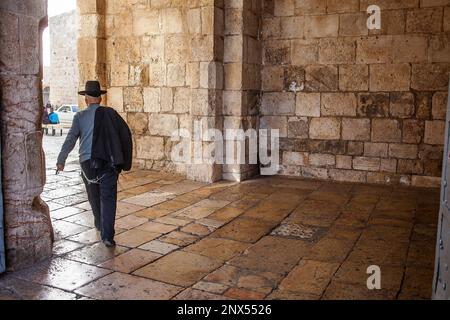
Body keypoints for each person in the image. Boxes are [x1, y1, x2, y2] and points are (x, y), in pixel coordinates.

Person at [56, 81, 133, 247]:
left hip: (88, 163)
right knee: (109, 197)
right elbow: (125, 135)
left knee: (93, 195)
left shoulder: (79, 117)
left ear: (86, 99)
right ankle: (107, 236)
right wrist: (123, 161)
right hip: (109, 162)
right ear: (100, 98)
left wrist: (61, 160)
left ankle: (99, 223)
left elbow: (70, 140)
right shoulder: (111, 114)